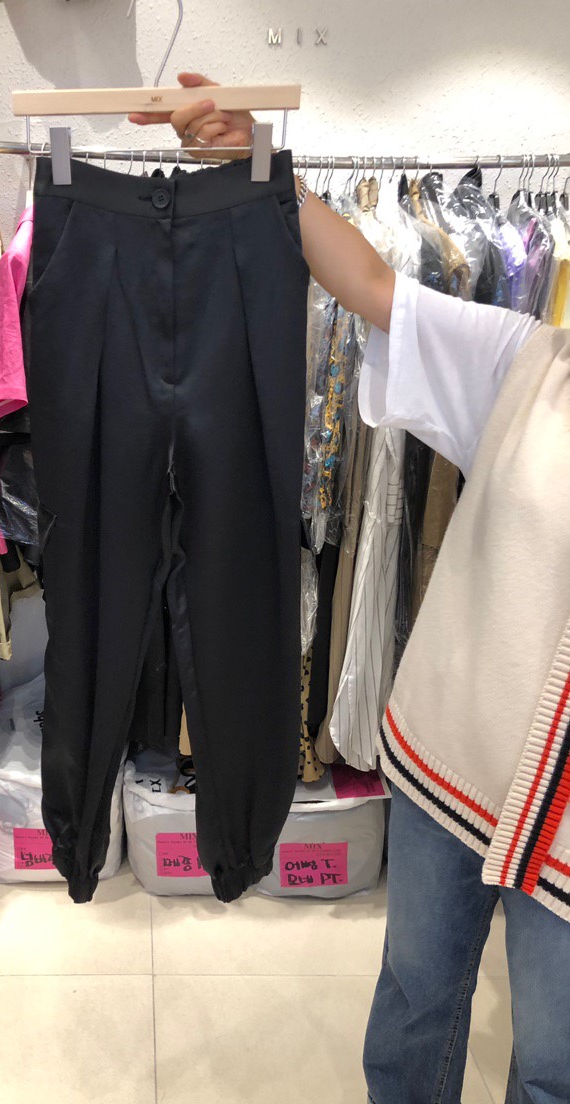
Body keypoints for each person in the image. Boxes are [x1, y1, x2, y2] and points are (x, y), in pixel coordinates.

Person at [132, 74, 570, 1104]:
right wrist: (259, 169)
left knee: (556, 1064)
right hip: (450, 756)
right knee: (415, 1003)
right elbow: (376, 289)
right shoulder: (530, 369)